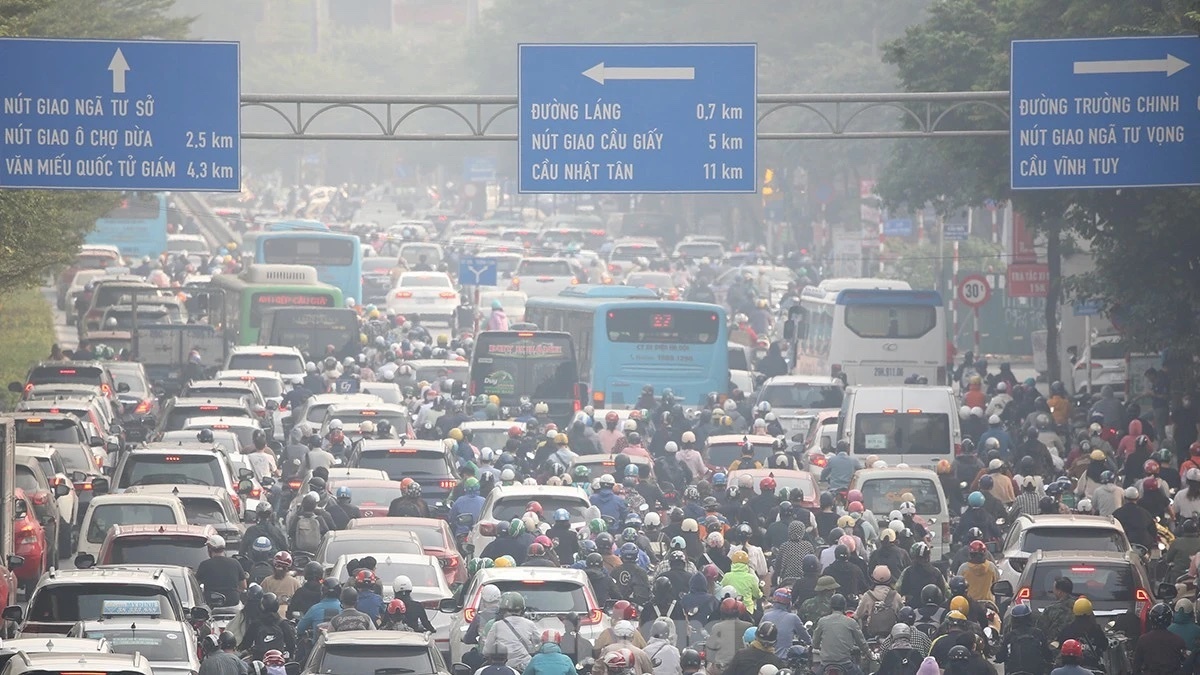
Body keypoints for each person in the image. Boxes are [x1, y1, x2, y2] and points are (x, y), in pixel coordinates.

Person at [484, 592, 542, 671]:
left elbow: (487, 650)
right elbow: (539, 646)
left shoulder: (497, 625)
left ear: (502, 610)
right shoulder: (530, 624)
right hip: (525, 667)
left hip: (505, 667)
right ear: (522, 610)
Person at [812, 594, 868, 675]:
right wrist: (869, 654)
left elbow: (815, 643)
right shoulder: (851, 622)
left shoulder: (822, 621)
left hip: (825, 664)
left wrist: (820, 647)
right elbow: (862, 643)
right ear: (844, 606)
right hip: (845, 664)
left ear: (830, 606)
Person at [996, 603, 1051, 675]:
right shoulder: (1038, 633)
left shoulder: (1010, 635)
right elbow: (1047, 654)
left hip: (1014, 672)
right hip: (1036, 672)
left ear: (1013, 619)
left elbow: (1000, 657)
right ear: (1029, 617)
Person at [196, 535, 247, 606]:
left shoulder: (205, 565)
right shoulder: (235, 563)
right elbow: (243, 586)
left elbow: (196, 586)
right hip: (233, 603)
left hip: (211, 603)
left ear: (209, 549)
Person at [1037, 577, 1076, 641]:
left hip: (1054, 646)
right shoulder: (1078, 606)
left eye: (1054, 589)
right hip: (1077, 645)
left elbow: (1040, 630)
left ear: (1059, 592)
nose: (1053, 591)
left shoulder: (1051, 609)